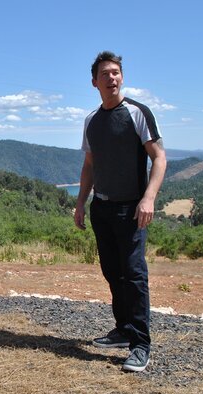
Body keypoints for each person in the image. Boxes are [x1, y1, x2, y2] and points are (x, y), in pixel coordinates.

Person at [74, 51, 167, 373]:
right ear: (94, 82)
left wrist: (149, 198)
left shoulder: (138, 113)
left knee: (134, 275)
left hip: (132, 208)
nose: (111, 78)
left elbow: (160, 158)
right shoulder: (92, 120)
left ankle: (141, 344)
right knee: (113, 272)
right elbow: (89, 165)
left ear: (121, 77)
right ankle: (123, 329)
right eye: (105, 74)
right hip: (102, 206)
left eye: (116, 72)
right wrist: (80, 203)